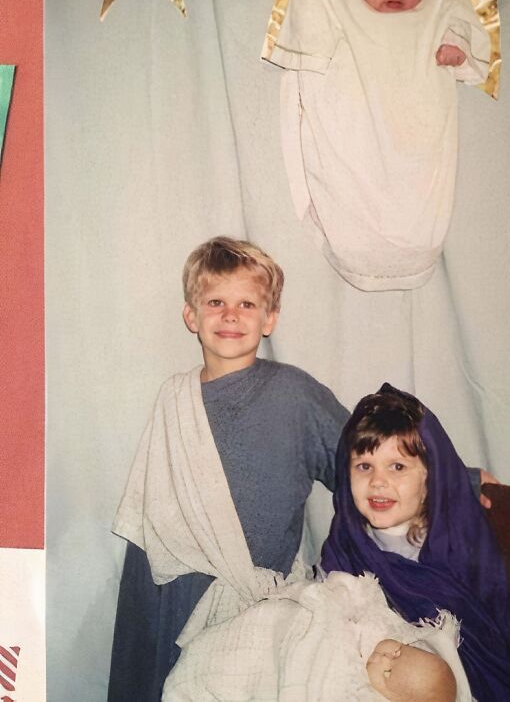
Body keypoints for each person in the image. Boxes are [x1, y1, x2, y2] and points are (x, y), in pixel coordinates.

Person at [107, 236, 489, 700]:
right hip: (172, 592)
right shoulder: (174, 399)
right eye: (215, 302)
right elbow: (153, 517)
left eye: (247, 303)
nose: (231, 315)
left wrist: (458, 480)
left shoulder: (294, 394)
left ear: (270, 319)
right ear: (192, 316)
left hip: (256, 608)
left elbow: (362, 457)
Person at [266, 0, 491, 291]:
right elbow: (309, 58)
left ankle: (413, 244)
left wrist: (456, 46)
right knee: (351, 165)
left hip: (414, 139)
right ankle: (356, 239)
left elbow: (466, 37)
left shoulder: (441, 1)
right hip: (357, 136)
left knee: (415, 188)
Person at [321, 384, 510, 702]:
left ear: (429, 479)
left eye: (397, 467)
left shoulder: (455, 543)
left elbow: (484, 642)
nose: (378, 481)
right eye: (364, 466)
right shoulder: (345, 543)